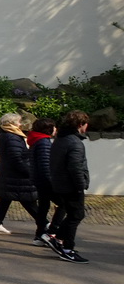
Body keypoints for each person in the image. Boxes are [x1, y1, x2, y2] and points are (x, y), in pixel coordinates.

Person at [0, 112, 46, 237]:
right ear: (12, 124)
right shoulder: (11, 137)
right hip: (16, 174)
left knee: (6, 198)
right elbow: (16, 158)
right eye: (18, 122)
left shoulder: (5, 134)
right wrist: (28, 171)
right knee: (27, 199)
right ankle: (44, 223)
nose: (20, 124)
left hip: (8, 172)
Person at [49, 110, 91, 263]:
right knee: (76, 215)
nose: (86, 128)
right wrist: (81, 186)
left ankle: (58, 238)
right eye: (86, 125)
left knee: (73, 214)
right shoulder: (75, 143)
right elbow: (75, 167)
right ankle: (67, 249)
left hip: (60, 183)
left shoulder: (60, 139)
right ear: (80, 125)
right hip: (71, 186)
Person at [27, 118, 64, 250]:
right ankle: (51, 232)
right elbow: (45, 165)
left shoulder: (36, 140)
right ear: (48, 129)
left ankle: (40, 235)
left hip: (38, 180)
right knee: (64, 204)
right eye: (54, 127)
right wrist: (52, 182)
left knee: (43, 207)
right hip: (46, 181)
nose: (56, 129)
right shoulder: (43, 142)